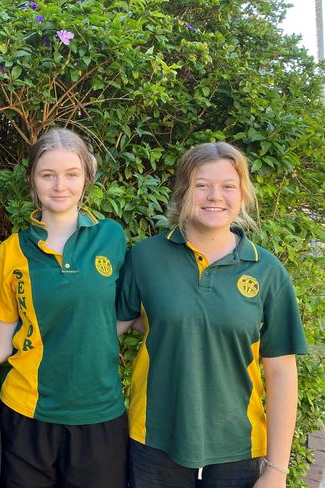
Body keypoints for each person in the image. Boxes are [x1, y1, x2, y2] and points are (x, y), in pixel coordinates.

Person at [117, 142, 308, 488]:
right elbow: (110, 328)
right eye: (201, 185)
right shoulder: (145, 258)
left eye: (228, 186)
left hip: (238, 448)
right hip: (154, 441)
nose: (214, 196)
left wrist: (277, 470)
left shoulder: (267, 271)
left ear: (243, 195)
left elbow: (281, 372)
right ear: (184, 192)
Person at [0, 127, 133, 488]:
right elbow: (0, 343)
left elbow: (125, 316)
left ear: (87, 179)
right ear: (33, 180)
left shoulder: (111, 236)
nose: (59, 186)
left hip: (100, 412)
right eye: (48, 175)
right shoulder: (10, 252)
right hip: (27, 412)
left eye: (71, 175)